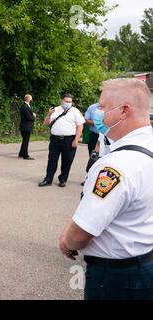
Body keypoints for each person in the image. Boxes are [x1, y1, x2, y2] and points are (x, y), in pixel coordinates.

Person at [59, 78, 153, 300]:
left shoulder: (116, 165)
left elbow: (83, 231)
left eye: (102, 107)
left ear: (123, 111)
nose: (97, 113)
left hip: (116, 277)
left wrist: (68, 242)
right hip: (144, 262)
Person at [38, 94, 85, 187]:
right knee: (52, 160)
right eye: (66, 101)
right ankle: (48, 179)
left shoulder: (75, 111)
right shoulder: (55, 110)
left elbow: (80, 126)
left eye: (70, 102)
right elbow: (45, 123)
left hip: (69, 140)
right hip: (55, 139)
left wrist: (76, 140)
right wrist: (49, 114)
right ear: (61, 101)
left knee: (67, 161)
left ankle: (63, 179)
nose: (68, 103)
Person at [18, 94, 36, 160]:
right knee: (26, 141)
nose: (31, 100)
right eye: (31, 98)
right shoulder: (25, 107)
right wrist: (33, 116)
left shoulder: (24, 106)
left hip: (24, 126)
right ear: (28, 99)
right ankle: (25, 155)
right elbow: (29, 117)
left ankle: (21, 153)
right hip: (26, 127)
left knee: (24, 140)